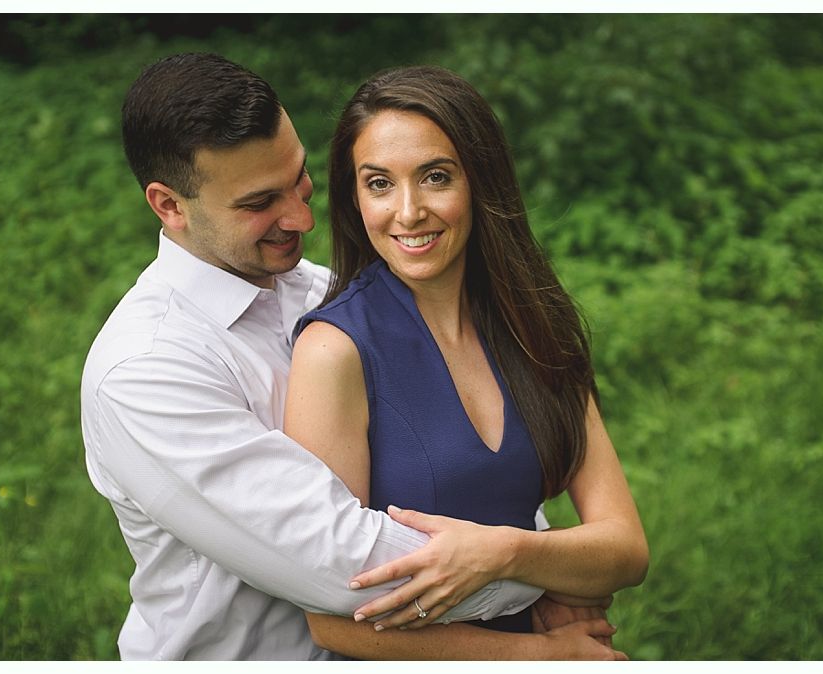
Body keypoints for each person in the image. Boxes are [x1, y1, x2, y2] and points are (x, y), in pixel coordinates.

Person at [81, 53, 624, 660]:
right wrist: (551, 573)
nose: (302, 217)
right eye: (260, 201)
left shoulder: (322, 291)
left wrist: (548, 561)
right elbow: (344, 566)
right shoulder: (146, 371)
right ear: (169, 206)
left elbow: (466, 470)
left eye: (300, 179)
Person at [285, 65, 649, 659]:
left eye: (435, 177)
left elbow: (626, 549)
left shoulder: (534, 325)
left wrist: (506, 553)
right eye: (379, 183)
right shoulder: (334, 351)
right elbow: (333, 617)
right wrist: (544, 654)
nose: (408, 212)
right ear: (354, 198)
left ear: (481, 182)